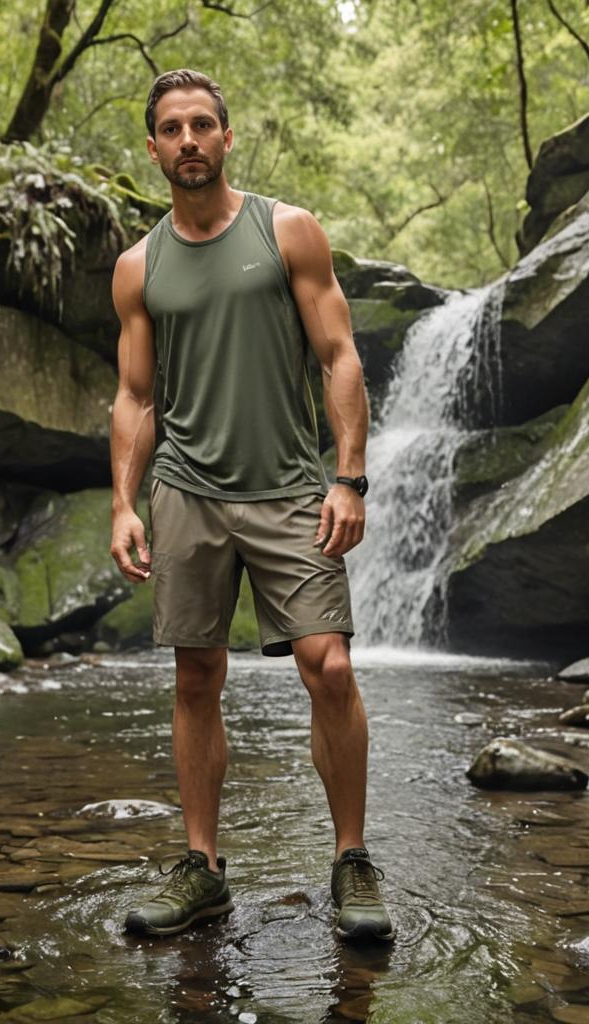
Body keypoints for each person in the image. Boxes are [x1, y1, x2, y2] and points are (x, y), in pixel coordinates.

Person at [108, 68, 393, 943]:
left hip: (289, 489)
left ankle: (351, 860)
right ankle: (202, 868)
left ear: (227, 139)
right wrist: (123, 503)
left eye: (202, 125)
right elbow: (133, 397)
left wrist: (348, 478)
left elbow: (339, 356)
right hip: (186, 493)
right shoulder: (137, 265)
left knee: (330, 667)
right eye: (171, 128)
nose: (188, 140)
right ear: (153, 147)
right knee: (196, 676)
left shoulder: (289, 230)